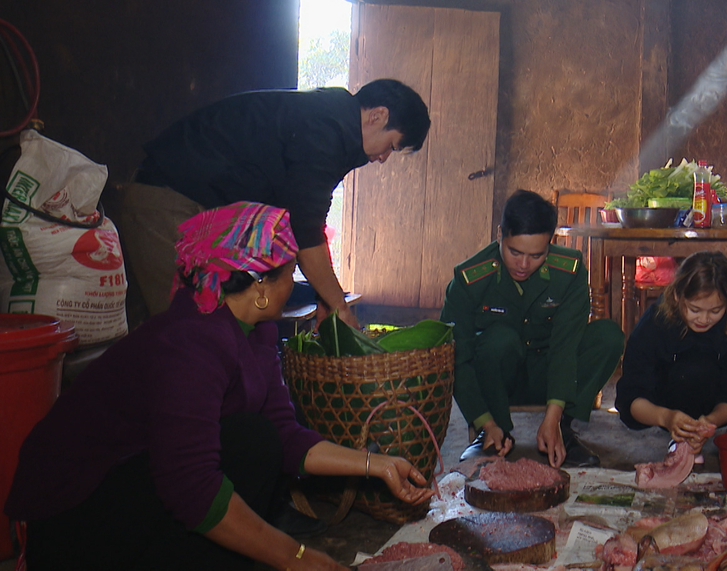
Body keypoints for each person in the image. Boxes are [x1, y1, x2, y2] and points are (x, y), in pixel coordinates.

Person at [5, 203, 433, 570]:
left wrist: (376, 464)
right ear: (261, 286)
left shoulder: (255, 330)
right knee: (247, 446)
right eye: (291, 273)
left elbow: (285, 435)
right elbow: (191, 486)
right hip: (71, 515)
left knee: (258, 442)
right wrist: (295, 556)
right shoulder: (191, 341)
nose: (295, 284)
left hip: (135, 485)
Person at [121, 79, 431, 329]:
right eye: (392, 146)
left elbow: (308, 222)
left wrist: (326, 297)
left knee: (205, 331)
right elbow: (306, 232)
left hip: (199, 208)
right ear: (377, 116)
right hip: (166, 199)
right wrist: (338, 306)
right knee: (182, 330)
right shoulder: (327, 129)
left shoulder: (334, 125)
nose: (383, 158)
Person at [441, 190, 625, 468]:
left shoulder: (569, 272)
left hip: (550, 378)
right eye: (514, 252)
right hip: (498, 382)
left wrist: (553, 417)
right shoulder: (469, 279)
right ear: (500, 234)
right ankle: (491, 434)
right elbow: (456, 357)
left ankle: (562, 429)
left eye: (537, 255)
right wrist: (484, 421)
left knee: (608, 337)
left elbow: (565, 347)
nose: (524, 265)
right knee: (498, 341)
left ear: (550, 243)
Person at [616, 251, 727, 452]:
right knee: (694, 367)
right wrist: (666, 418)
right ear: (677, 296)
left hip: (717, 407)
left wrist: (711, 422)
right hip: (669, 406)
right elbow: (631, 397)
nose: (704, 319)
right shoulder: (654, 322)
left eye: (715, 311)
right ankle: (682, 436)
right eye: (694, 310)